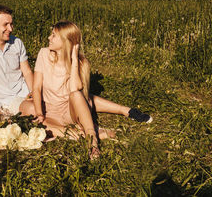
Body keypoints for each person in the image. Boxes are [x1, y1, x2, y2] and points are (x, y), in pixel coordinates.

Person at [32, 21, 152, 159]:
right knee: (30, 118)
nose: (48, 38)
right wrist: (39, 113)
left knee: (77, 95)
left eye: (53, 35)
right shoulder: (43, 54)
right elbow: (36, 87)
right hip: (51, 112)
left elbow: (75, 89)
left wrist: (74, 59)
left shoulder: (81, 63)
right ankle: (93, 133)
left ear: (65, 41)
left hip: (70, 111)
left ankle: (93, 143)